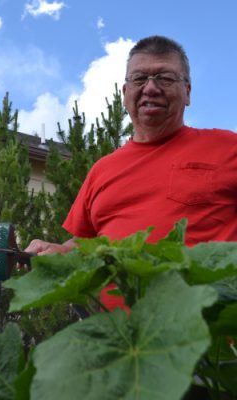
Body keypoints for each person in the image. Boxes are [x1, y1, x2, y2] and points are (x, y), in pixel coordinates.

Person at [25, 35, 237, 310]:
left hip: (214, 343)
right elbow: (87, 243)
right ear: (125, 93)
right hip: (123, 342)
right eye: (139, 79)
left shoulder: (227, 147)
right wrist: (60, 251)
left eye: (165, 78)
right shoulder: (102, 170)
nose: (150, 88)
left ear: (187, 92)